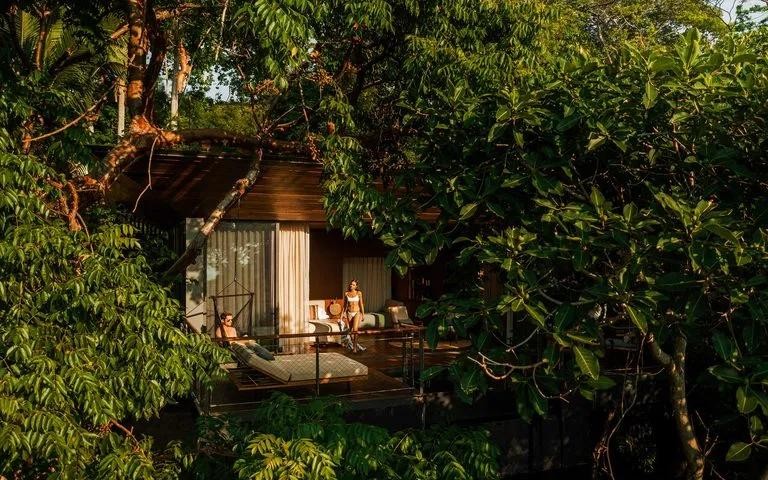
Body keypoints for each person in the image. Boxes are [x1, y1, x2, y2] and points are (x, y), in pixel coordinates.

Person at [339, 279, 366, 353]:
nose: (351, 285)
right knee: (350, 330)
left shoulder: (359, 293)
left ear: (356, 286)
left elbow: (361, 304)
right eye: (351, 284)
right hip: (349, 313)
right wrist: (341, 315)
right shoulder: (346, 293)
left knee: (355, 330)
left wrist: (363, 314)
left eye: (353, 285)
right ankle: (354, 344)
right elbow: (345, 306)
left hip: (357, 312)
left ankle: (354, 348)